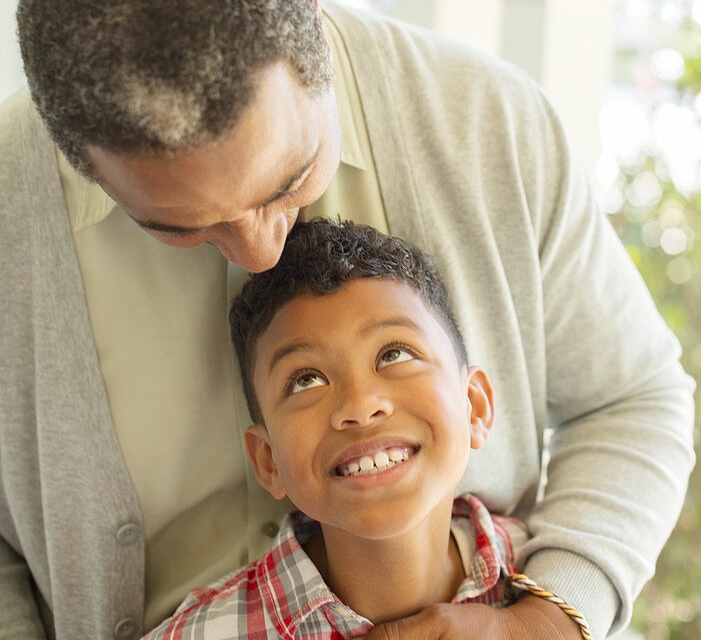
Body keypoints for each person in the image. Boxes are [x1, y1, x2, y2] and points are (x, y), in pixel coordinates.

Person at [1, 0, 694, 640]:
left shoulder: (486, 121)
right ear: (73, 153)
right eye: (177, 227)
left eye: (291, 180)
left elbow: (629, 400)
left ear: (311, 15)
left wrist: (552, 617)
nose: (261, 250)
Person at [145, 217, 567, 639]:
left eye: (395, 354)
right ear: (268, 460)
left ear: (474, 406)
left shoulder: (551, 574)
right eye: (306, 380)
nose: (360, 407)